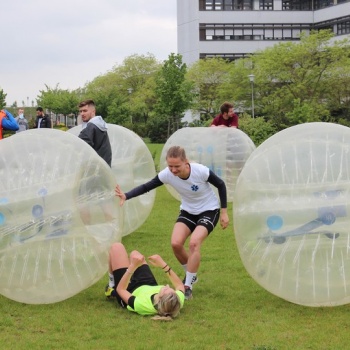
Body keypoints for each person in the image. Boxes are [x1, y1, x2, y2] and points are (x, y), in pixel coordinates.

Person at [115, 145, 229, 300]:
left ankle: (187, 285)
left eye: (177, 166)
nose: (173, 170)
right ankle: (191, 273)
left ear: (186, 162)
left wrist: (224, 212)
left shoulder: (200, 171)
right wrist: (126, 196)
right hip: (188, 211)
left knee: (194, 243)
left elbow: (221, 184)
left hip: (209, 210)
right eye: (170, 166)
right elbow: (147, 186)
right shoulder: (167, 175)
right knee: (176, 243)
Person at [105, 242, 185, 320]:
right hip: (149, 284)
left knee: (116, 247)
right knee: (136, 255)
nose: (167, 285)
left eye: (165, 289)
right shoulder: (176, 301)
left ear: (159, 298)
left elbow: (121, 289)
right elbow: (179, 285)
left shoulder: (142, 305)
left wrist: (132, 267)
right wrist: (163, 264)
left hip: (129, 289)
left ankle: (111, 285)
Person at [78, 99, 112, 167]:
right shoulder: (100, 124)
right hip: (104, 167)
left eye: (85, 111)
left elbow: (79, 145)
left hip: (96, 169)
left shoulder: (91, 127)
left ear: (93, 111)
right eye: (80, 111)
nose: (82, 114)